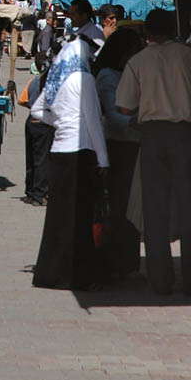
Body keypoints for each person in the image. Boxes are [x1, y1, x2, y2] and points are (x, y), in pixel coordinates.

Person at [116, 9, 191, 294]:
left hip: (152, 135)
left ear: (148, 33)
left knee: (155, 209)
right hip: (187, 135)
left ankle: (161, 279)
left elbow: (125, 106)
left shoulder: (138, 61)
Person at [30, 37, 109, 290]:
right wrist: (104, 159)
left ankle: (51, 273)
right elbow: (94, 121)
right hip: (81, 151)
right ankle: (78, 276)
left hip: (59, 151)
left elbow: (36, 111)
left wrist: (61, 123)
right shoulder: (84, 79)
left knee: (58, 218)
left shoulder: (57, 78)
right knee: (80, 217)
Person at [94, 28, 144, 276]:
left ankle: (128, 261)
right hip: (118, 145)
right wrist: (138, 121)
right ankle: (116, 260)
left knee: (131, 206)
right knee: (120, 205)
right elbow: (114, 115)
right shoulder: (109, 76)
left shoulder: (128, 73)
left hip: (132, 144)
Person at [20, 74, 53, 206]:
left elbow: (22, 100)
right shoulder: (50, 81)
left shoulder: (33, 81)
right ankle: (39, 194)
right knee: (42, 160)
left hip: (31, 121)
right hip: (43, 121)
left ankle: (30, 191)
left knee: (31, 158)